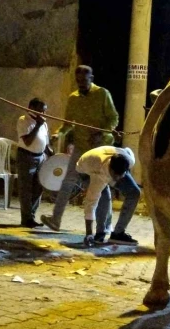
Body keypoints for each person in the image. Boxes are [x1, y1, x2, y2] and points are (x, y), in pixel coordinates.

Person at [41, 65, 119, 231]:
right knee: (68, 182)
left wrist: (100, 132)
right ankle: (56, 220)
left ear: (91, 78)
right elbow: (68, 124)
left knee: (101, 186)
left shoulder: (102, 94)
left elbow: (113, 118)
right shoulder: (73, 98)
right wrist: (58, 134)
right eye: (78, 81)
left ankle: (106, 225)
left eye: (84, 80)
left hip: (100, 147)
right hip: (81, 146)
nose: (81, 84)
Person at [76, 146, 140, 246]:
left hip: (105, 159)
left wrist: (121, 178)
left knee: (134, 192)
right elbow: (90, 204)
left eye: (121, 174)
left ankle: (118, 233)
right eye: (116, 176)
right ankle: (99, 234)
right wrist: (89, 234)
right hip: (85, 169)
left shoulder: (129, 160)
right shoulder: (99, 175)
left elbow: (128, 150)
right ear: (111, 169)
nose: (118, 178)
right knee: (103, 197)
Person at [16, 98, 53, 228]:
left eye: (44, 111)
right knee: (26, 189)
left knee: (38, 187)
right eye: (40, 110)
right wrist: (37, 125)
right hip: (27, 156)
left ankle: (31, 216)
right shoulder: (23, 120)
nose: (43, 114)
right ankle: (26, 219)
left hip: (41, 157)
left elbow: (46, 143)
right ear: (31, 107)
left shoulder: (44, 123)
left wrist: (53, 155)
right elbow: (27, 141)